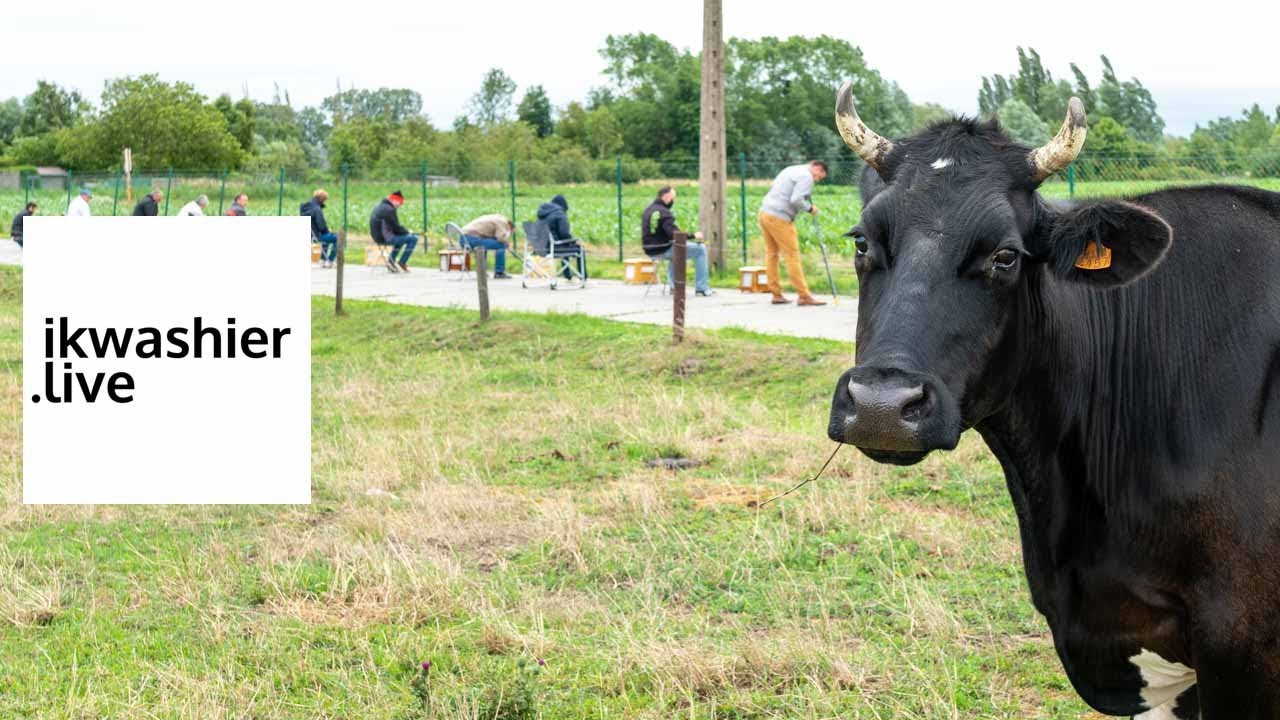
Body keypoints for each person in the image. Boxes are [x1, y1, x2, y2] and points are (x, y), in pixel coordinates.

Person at [758, 160, 829, 306]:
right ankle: (804, 295)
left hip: (765, 212)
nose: (817, 180)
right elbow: (796, 199)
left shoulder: (791, 169)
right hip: (779, 217)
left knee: (771, 254)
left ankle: (776, 294)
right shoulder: (806, 176)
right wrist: (810, 208)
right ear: (817, 168)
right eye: (819, 177)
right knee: (792, 255)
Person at [641, 186, 714, 296]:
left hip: (650, 250)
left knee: (676, 251)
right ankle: (702, 288)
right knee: (700, 249)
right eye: (672, 198)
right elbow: (675, 234)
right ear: (666, 197)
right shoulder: (664, 212)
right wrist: (693, 235)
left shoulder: (648, 210)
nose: (673, 201)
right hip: (663, 248)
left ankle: (674, 287)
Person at [535, 194, 586, 280]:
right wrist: (575, 241)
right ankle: (583, 277)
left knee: (564, 244)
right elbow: (564, 234)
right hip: (553, 247)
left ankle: (568, 275)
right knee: (578, 248)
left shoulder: (541, 215)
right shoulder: (560, 214)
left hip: (539, 247)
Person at [368, 190, 419, 273]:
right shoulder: (390, 210)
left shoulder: (378, 206)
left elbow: (393, 227)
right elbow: (396, 228)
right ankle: (402, 262)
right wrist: (408, 232)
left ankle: (391, 262)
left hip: (377, 237)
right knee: (413, 238)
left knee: (401, 239)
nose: (400, 206)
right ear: (394, 200)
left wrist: (404, 232)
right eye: (400, 203)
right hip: (385, 238)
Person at [458, 213, 513, 279]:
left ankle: (482, 271)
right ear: (509, 227)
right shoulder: (502, 222)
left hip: (464, 238)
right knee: (501, 245)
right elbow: (501, 238)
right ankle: (499, 272)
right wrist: (507, 243)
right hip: (470, 239)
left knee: (486, 244)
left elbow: (493, 236)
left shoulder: (497, 217)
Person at [301, 189, 338, 268]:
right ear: (321, 199)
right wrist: (329, 231)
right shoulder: (317, 209)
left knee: (328, 237)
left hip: (310, 235)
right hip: (317, 236)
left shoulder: (305, 208)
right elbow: (322, 226)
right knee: (338, 237)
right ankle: (330, 261)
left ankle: (323, 260)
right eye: (325, 200)